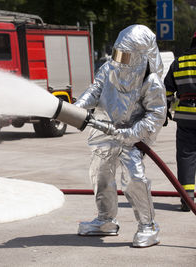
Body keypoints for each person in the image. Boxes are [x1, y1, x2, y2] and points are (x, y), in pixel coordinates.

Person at [74, 25, 166, 247]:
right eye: (117, 52)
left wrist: (131, 134)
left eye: (126, 55)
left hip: (132, 138)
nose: (119, 59)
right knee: (100, 176)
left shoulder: (150, 80)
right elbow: (95, 90)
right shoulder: (108, 68)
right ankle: (105, 220)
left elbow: (156, 115)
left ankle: (148, 226)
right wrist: (77, 107)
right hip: (103, 132)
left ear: (141, 56)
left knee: (134, 179)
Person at [163, 32, 196, 212]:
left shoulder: (179, 62)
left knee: (186, 157)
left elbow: (166, 91)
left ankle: (187, 200)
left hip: (185, 117)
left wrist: (164, 112)